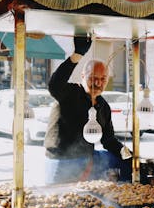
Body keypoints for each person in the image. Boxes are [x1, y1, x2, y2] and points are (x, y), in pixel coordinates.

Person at [44, 35, 132, 185]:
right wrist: (77, 55)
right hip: (61, 161)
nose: (98, 83)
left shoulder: (103, 106)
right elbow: (54, 84)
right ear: (83, 76)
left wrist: (128, 155)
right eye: (93, 77)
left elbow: (108, 139)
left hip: (87, 159)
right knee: (59, 199)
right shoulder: (70, 93)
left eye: (103, 79)